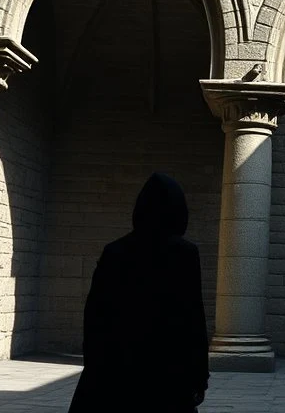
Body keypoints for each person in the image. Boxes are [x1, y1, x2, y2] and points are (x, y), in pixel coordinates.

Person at [69, 172, 210, 412]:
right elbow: (192, 318)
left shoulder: (114, 251)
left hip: (116, 369)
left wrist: (94, 365)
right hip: (166, 372)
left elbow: (95, 316)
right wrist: (198, 376)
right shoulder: (184, 254)